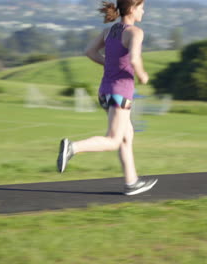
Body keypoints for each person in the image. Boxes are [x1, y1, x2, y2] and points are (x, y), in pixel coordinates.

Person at [57, 0, 157, 195]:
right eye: (142, 7)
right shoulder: (135, 32)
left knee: (126, 137)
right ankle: (73, 148)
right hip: (121, 93)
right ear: (133, 8)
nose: (144, 11)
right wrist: (143, 76)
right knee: (113, 139)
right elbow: (135, 59)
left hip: (105, 91)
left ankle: (131, 183)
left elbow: (89, 51)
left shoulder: (109, 31)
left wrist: (108, 64)